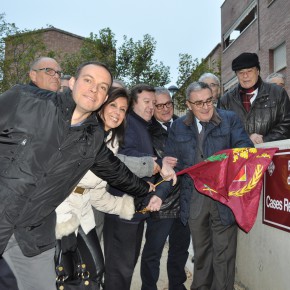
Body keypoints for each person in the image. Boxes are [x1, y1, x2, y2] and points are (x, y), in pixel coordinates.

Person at [0, 61, 155, 290]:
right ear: (72, 83)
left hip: (33, 235)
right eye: (88, 80)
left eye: (103, 87)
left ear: (104, 98)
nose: (94, 89)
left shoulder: (92, 138)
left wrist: (145, 190)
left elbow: (115, 170)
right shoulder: (25, 100)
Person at [155, 82, 253, 290]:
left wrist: (223, 163)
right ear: (189, 105)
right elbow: (171, 164)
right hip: (194, 198)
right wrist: (159, 194)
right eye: (199, 103)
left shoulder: (229, 120)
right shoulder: (179, 126)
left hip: (224, 197)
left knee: (224, 253)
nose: (206, 107)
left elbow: (246, 149)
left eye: (209, 101)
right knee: (201, 252)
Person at [55, 87, 155, 287]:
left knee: (93, 272)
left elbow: (97, 193)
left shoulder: (111, 140)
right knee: (67, 275)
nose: (117, 113)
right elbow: (59, 180)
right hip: (61, 210)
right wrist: (64, 223)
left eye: (123, 109)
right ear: (101, 106)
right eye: (113, 105)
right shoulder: (84, 132)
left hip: (83, 209)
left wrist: (127, 206)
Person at [0, 56, 63, 290]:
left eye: (58, 72)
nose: (56, 75)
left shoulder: (62, 115)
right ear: (32, 75)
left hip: (35, 227)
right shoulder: (18, 98)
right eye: (49, 70)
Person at [103, 83, 161, 290]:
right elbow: (117, 162)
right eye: (146, 102)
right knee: (119, 270)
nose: (151, 107)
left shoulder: (142, 126)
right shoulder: (126, 124)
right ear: (132, 104)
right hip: (122, 209)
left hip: (134, 210)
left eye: (153, 103)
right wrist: (151, 168)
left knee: (126, 267)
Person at [141, 87, 191, 290]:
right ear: (152, 107)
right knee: (153, 251)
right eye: (159, 105)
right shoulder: (145, 130)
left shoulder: (184, 125)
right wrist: (161, 161)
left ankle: (177, 285)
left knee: (180, 250)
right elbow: (142, 162)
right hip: (161, 200)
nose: (164, 109)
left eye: (168, 103)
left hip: (185, 199)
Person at [220, 52, 290, 144]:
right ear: (236, 75)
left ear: (258, 71)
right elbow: (222, 130)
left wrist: (265, 140)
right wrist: (247, 138)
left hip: (273, 153)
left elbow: (287, 124)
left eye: (249, 71)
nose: (245, 76)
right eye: (241, 72)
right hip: (240, 155)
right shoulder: (226, 100)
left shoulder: (278, 93)